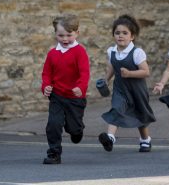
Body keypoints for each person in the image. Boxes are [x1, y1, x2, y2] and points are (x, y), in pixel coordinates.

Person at [98, 14, 157, 153]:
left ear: (132, 36)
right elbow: (112, 66)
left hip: (137, 89)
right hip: (120, 89)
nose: (120, 36)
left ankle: (145, 140)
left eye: (125, 33)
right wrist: (106, 79)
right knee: (116, 109)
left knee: (140, 114)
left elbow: (146, 72)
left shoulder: (137, 53)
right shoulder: (112, 51)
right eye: (117, 33)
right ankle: (110, 138)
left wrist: (130, 73)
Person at [40, 13, 89, 164]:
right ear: (55, 34)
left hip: (75, 98)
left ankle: (77, 130)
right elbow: (46, 73)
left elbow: (84, 72)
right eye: (61, 35)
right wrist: (46, 86)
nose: (65, 39)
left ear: (77, 33)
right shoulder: (52, 53)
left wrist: (81, 87)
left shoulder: (79, 51)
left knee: (74, 129)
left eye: (69, 35)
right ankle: (54, 153)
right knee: (53, 124)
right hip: (57, 96)